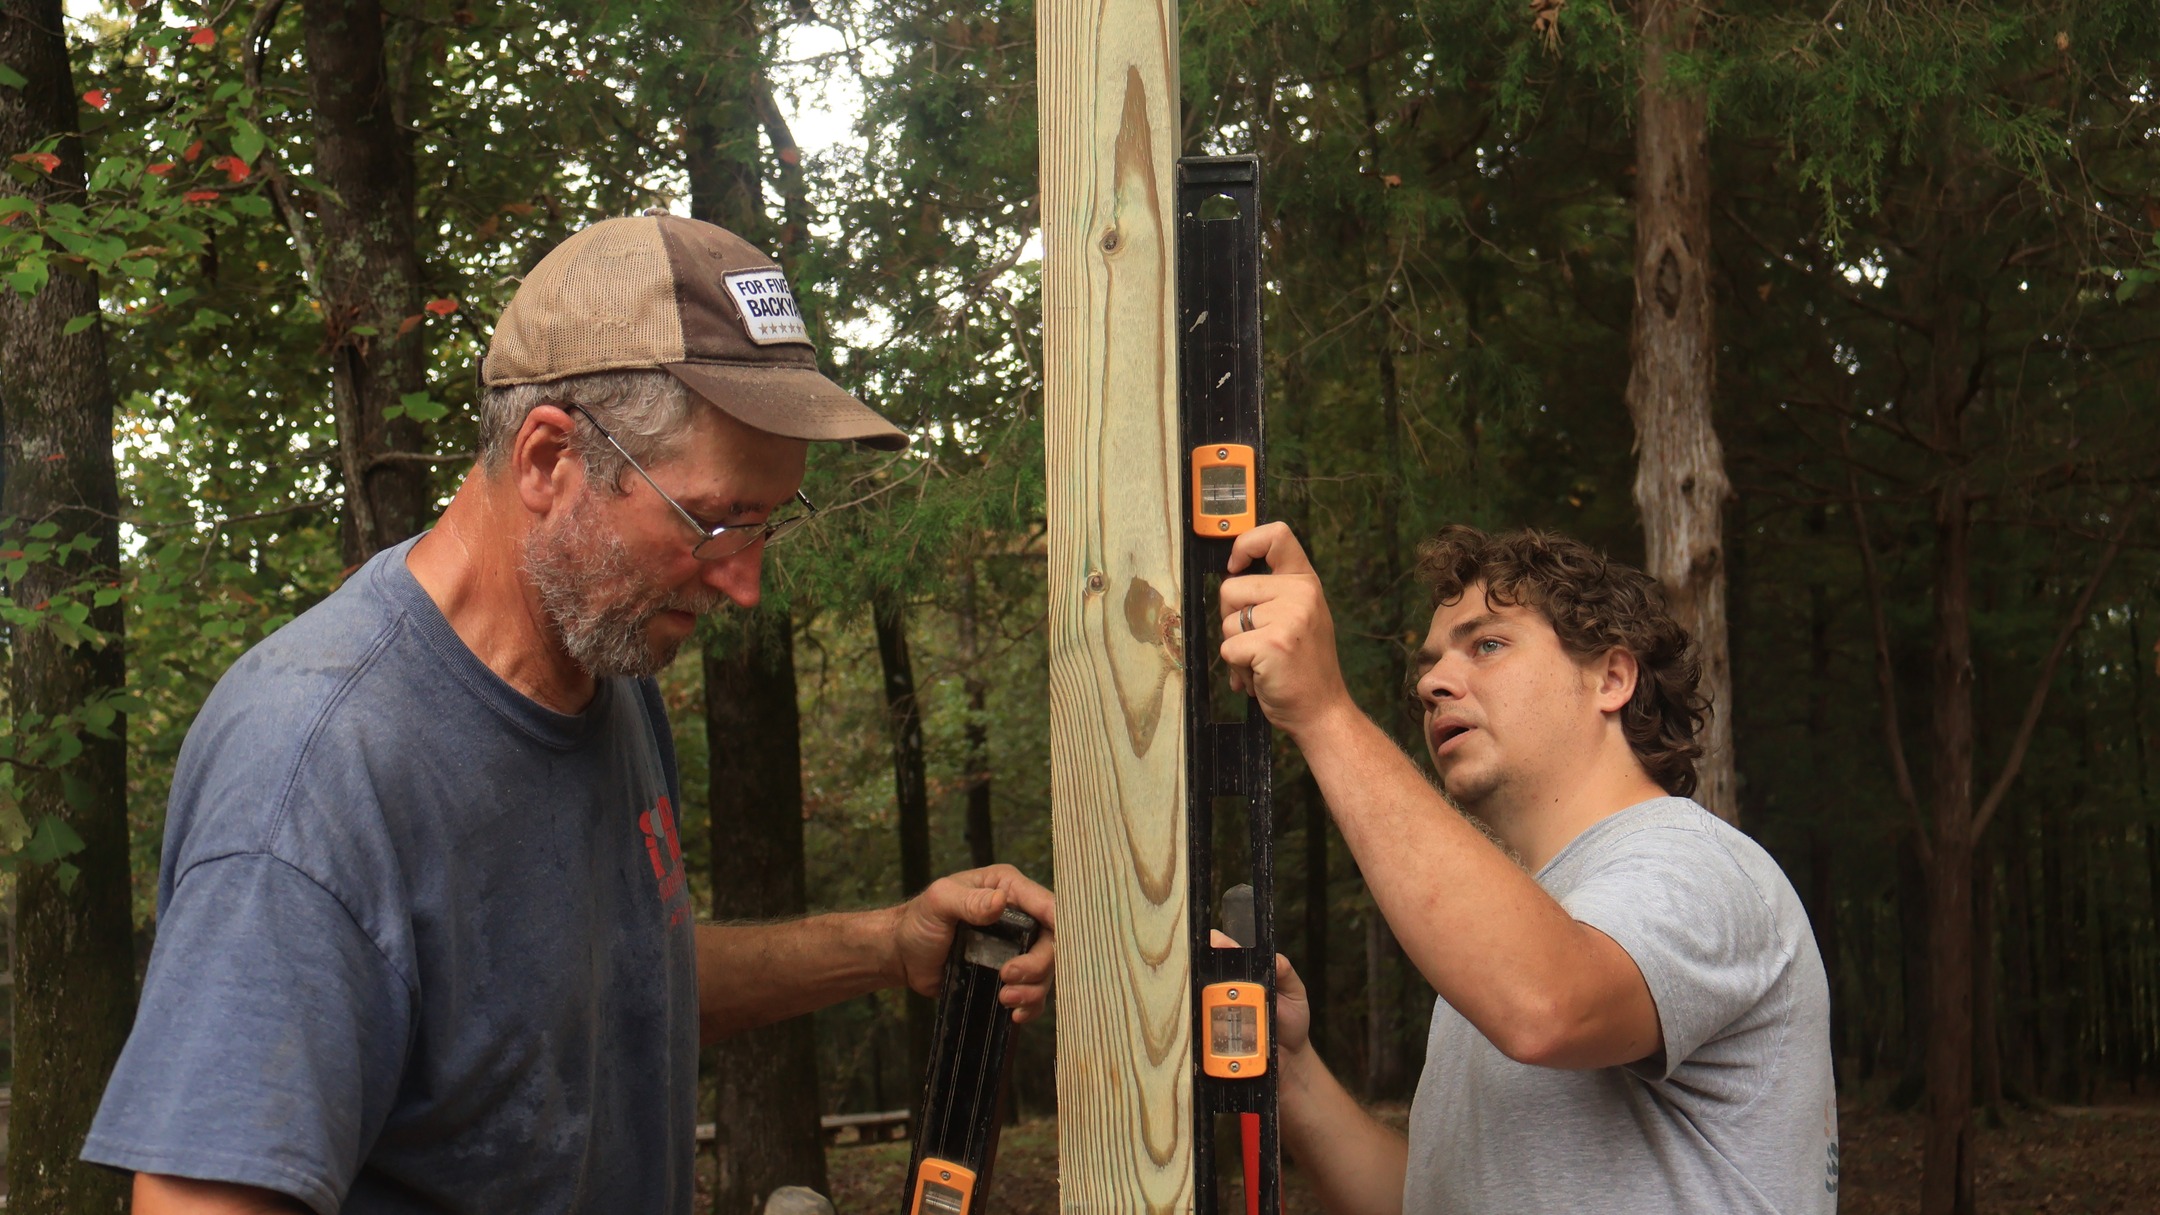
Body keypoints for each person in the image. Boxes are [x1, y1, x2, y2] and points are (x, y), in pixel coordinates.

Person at [82, 214, 1056, 1215]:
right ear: (550, 460)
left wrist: (887, 946)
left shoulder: (607, 668)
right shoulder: (317, 770)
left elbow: (601, 995)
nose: (746, 583)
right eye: (714, 522)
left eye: (768, 525)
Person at [1215, 522, 1834, 1213]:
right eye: (1429, 665)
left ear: (1612, 676)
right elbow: (1428, 1200)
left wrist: (1324, 710)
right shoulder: (1513, 942)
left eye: (1487, 644)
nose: (1433, 685)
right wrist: (1288, 1068)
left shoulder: (1699, 865)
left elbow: (1547, 1005)